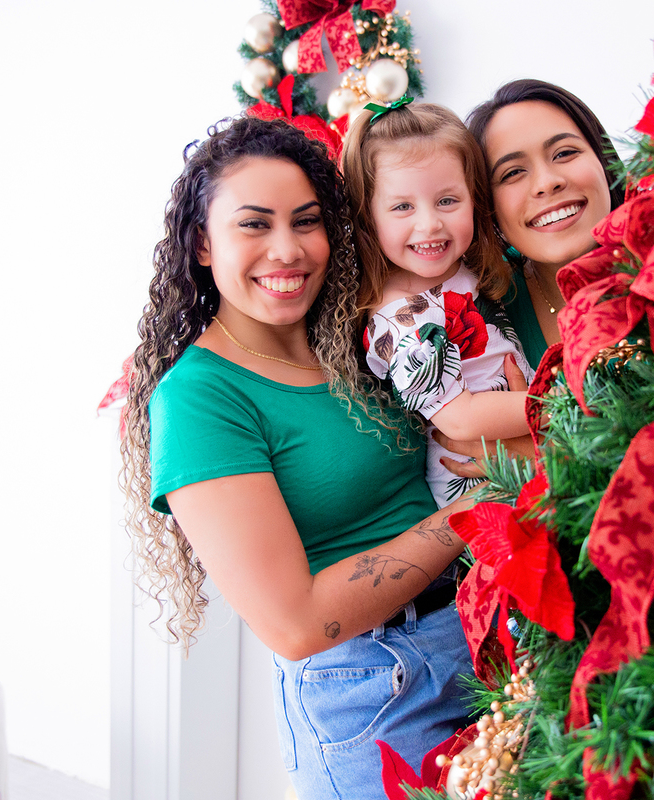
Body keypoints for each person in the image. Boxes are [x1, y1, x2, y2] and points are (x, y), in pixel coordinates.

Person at [119, 115, 481, 800]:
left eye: (306, 221)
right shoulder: (200, 399)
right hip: (377, 691)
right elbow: (294, 624)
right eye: (254, 225)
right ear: (201, 244)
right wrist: (475, 514)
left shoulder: (353, 338)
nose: (287, 250)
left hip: (479, 632)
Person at [342, 100, 535, 507]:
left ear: (474, 199)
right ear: (368, 217)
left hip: (533, 446)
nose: (429, 223)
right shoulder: (398, 319)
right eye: (402, 207)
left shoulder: (463, 267)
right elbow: (460, 418)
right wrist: (564, 405)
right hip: (481, 485)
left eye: (447, 201)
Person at [466, 79, 627, 370]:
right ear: (487, 205)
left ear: (604, 160)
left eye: (564, 153)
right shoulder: (480, 310)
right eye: (512, 172)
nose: (546, 183)